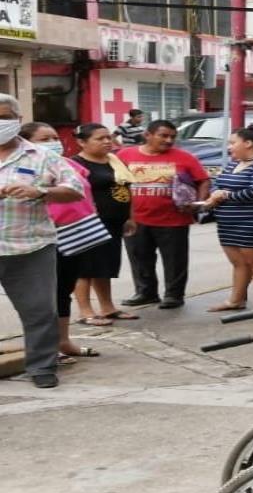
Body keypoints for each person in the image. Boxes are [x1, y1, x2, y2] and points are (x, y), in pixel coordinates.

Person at [0, 94, 85, 388]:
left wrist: (39, 192)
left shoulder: (43, 156)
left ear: (17, 120)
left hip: (30, 246)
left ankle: (42, 366)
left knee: (39, 310)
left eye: (3, 118)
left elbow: (75, 189)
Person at [20, 122, 105, 364]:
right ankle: (45, 348)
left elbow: (84, 193)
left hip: (77, 235)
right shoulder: (23, 167)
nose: (53, 143)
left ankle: (63, 341)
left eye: (55, 137)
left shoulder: (67, 165)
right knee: (42, 296)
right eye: (45, 139)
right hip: (42, 237)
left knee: (63, 290)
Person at [118, 119, 210, 309]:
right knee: (139, 257)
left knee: (175, 260)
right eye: (163, 135)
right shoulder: (125, 155)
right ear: (147, 135)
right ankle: (146, 292)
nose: (169, 140)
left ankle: (174, 295)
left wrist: (198, 204)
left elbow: (203, 180)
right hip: (136, 219)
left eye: (172, 137)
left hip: (173, 220)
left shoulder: (185, 157)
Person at [202, 125, 253, 312]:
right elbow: (219, 183)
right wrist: (214, 194)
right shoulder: (233, 163)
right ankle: (236, 300)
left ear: (248, 143)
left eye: (233, 143)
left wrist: (225, 196)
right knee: (238, 263)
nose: (229, 147)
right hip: (228, 223)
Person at [70, 123, 138, 324]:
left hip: (114, 222)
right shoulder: (76, 164)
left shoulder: (115, 161)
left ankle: (107, 308)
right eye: (100, 138)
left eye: (108, 137)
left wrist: (129, 217)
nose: (107, 141)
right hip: (88, 224)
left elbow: (127, 189)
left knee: (105, 267)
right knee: (85, 268)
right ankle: (86, 312)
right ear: (82, 142)